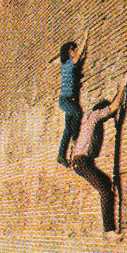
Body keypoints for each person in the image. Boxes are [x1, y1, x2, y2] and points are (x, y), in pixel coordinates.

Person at [71, 76, 127, 238]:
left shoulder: (89, 121)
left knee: (107, 185)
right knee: (105, 191)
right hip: (82, 162)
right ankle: (109, 230)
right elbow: (115, 107)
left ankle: (108, 228)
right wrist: (122, 87)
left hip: (82, 162)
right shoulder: (95, 115)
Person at [56, 32, 88, 167]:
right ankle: (75, 139)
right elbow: (79, 55)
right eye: (73, 49)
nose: (75, 51)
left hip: (68, 101)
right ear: (69, 52)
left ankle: (61, 156)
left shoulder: (67, 65)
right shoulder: (68, 64)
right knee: (78, 113)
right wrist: (85, 39)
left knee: (67, 128)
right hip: (65, 101)